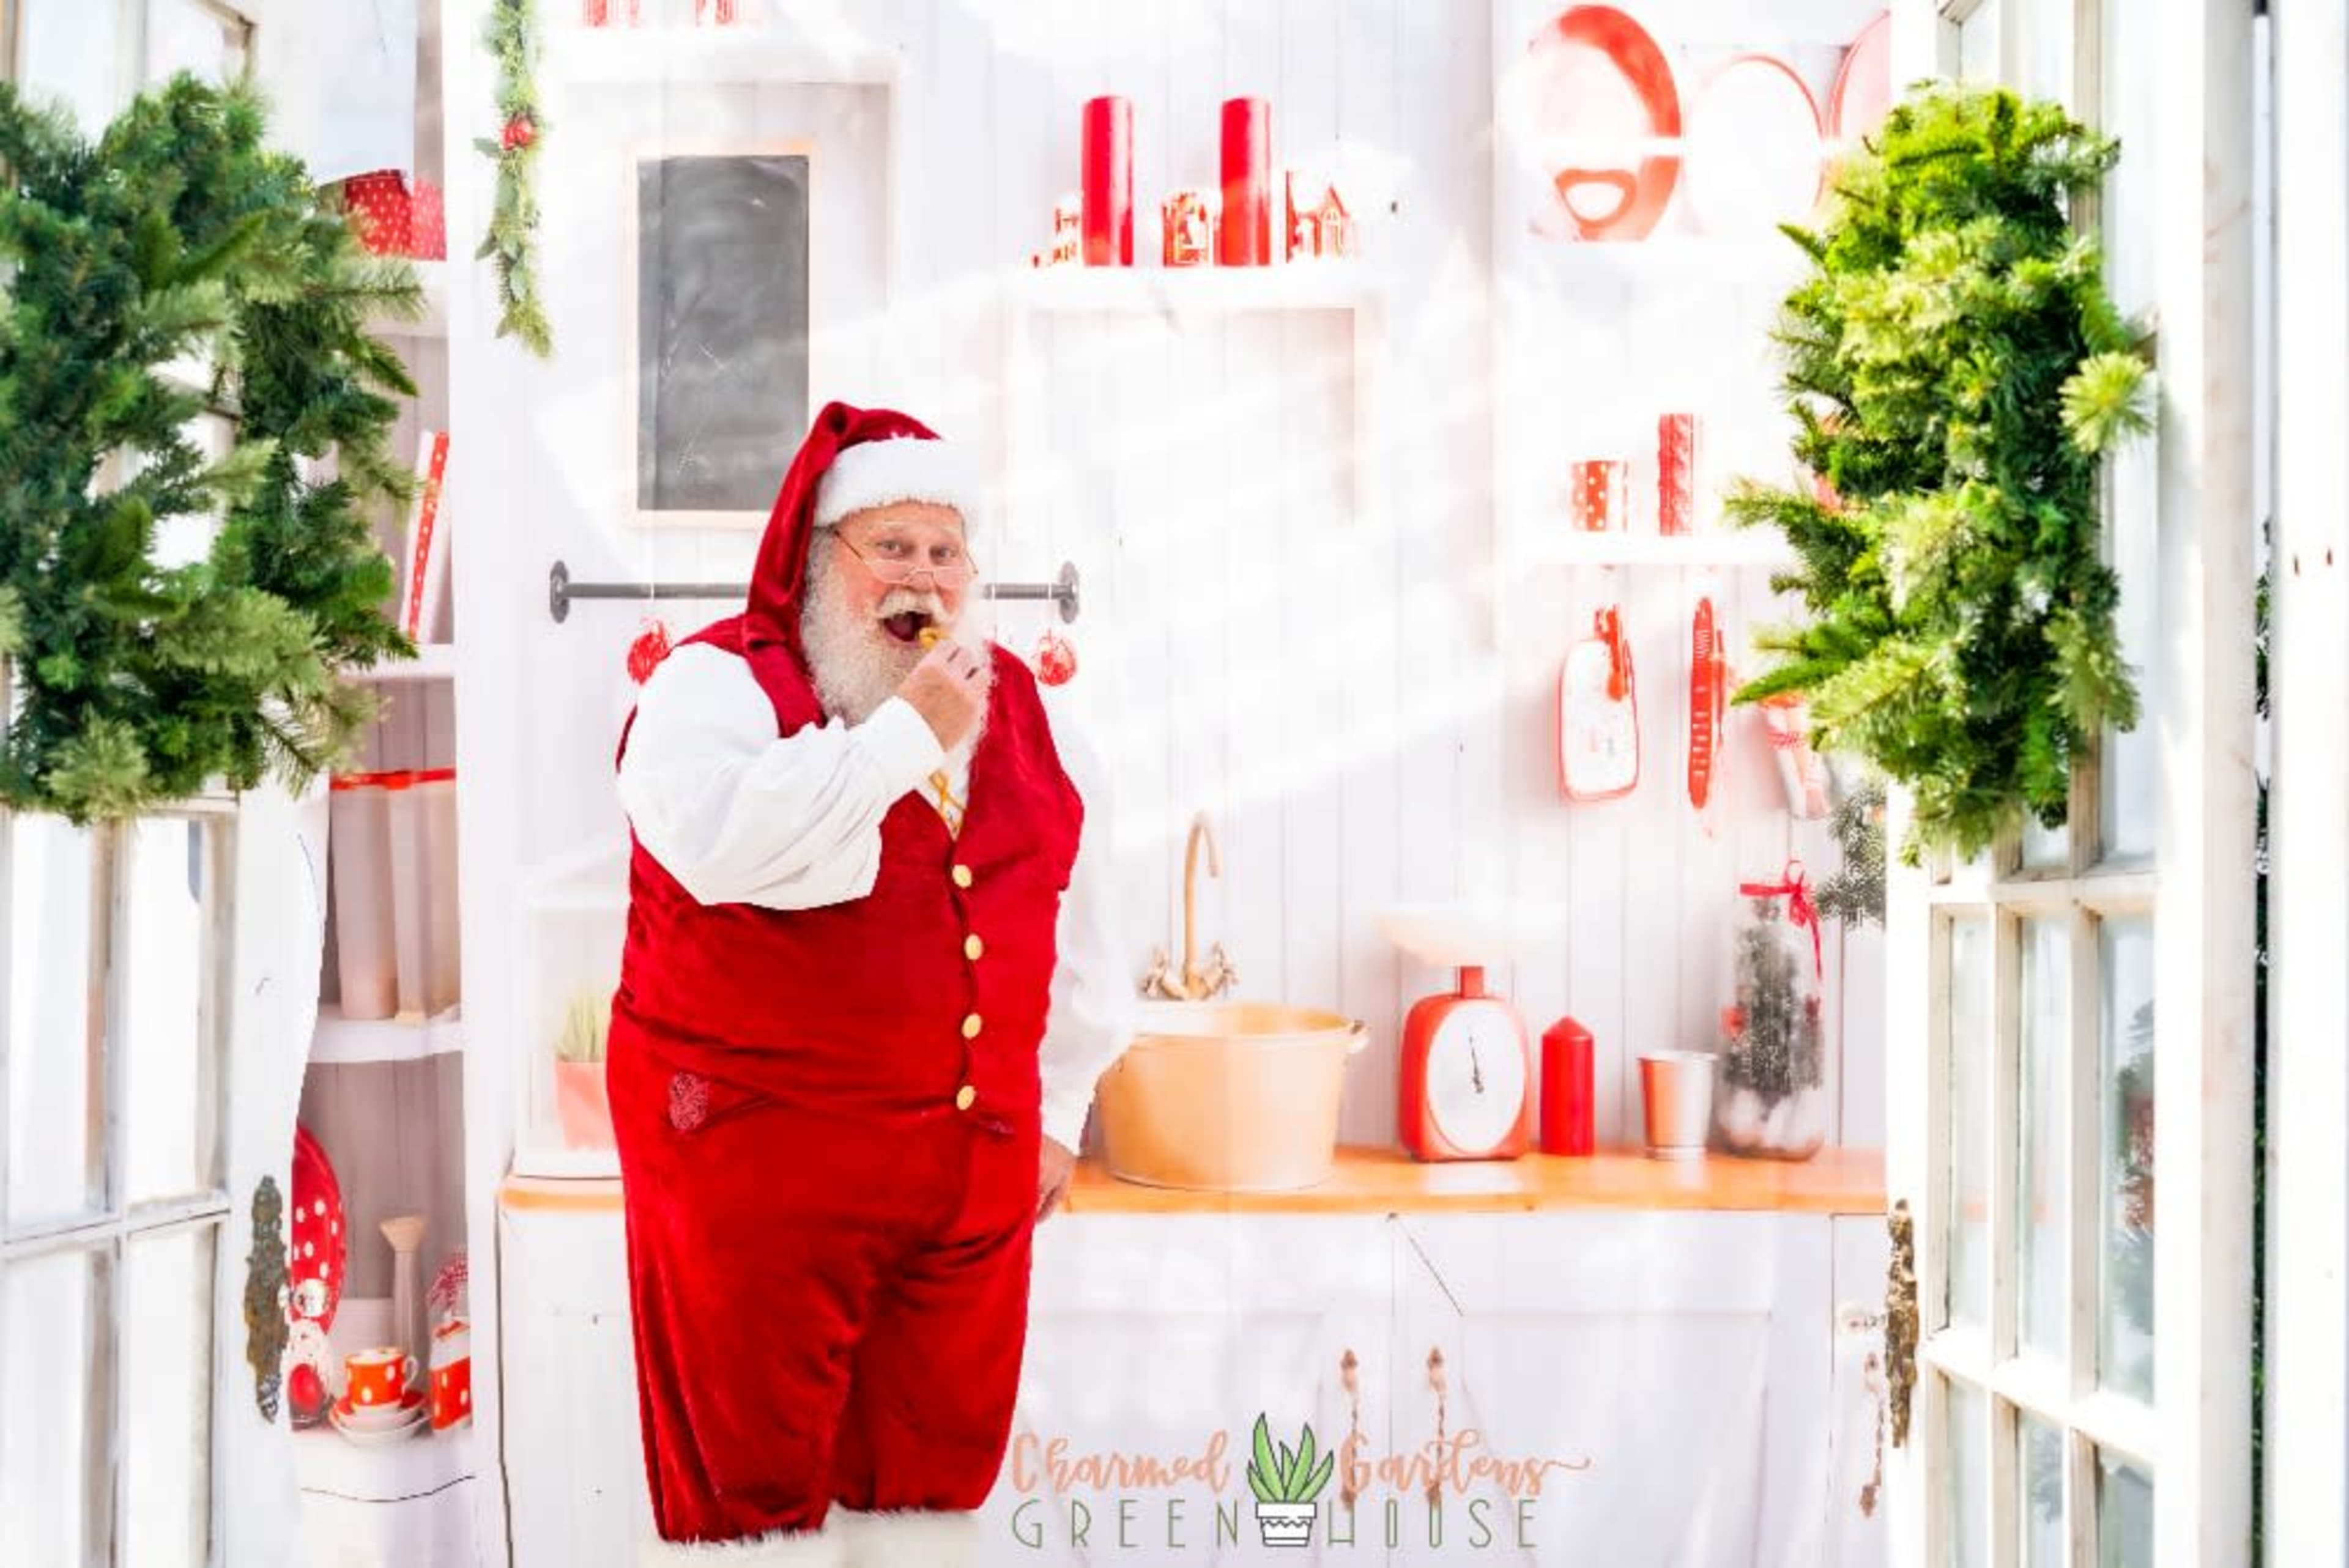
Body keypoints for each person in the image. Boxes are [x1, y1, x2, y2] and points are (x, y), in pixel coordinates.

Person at [607, 401, 1132, 1566]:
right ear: (817, 564)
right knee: (754, 1505)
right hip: (758, 1196)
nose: (924, 581)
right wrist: (904, 735)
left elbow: (1086, 926)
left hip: (965, 1203)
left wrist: (1053, 1113)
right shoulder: (713, 694)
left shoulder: (1035, 720)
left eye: (947, 553)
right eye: (891, 548)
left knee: (934, 1500)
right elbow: (738, 851)